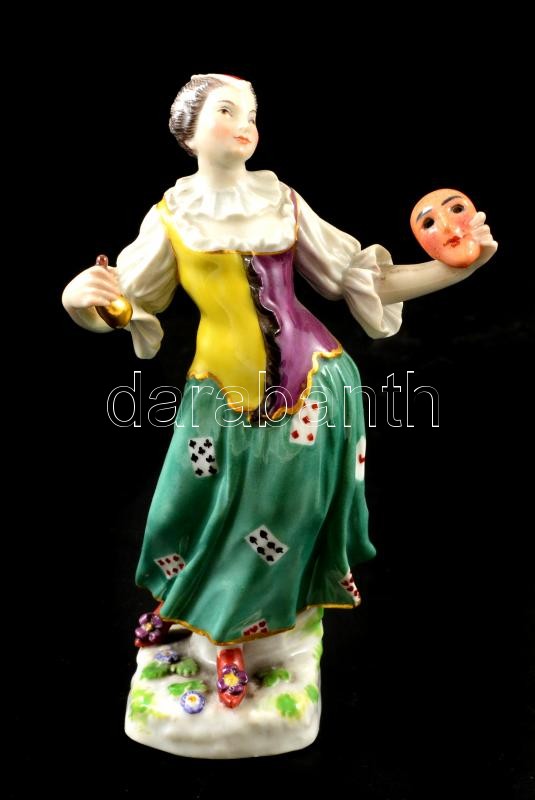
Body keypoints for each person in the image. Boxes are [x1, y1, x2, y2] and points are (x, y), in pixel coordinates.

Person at [62, 73, 497, 710]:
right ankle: (184, 601)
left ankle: (234, 636)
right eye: (228, 110)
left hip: (315, 383)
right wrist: (83, 302)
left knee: (282, 515)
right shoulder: (171, 217)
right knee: (189, 507)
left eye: (252, 112)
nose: (246, 123)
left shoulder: (282, 201)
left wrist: (455, 268)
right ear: (188, 133)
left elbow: (358, 280)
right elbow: (127, 302)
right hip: (220, 394)